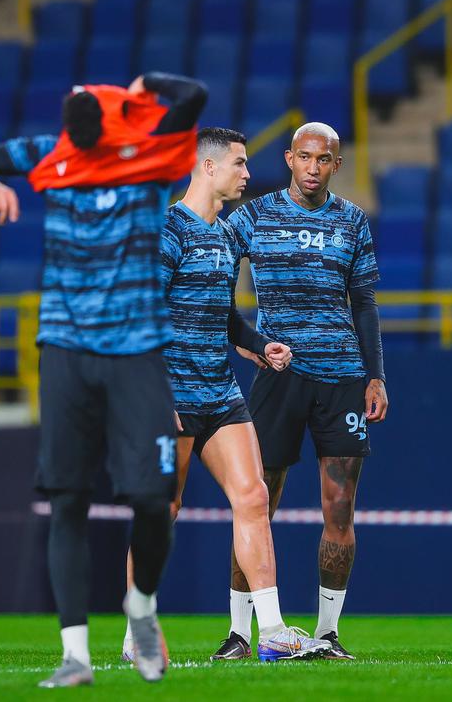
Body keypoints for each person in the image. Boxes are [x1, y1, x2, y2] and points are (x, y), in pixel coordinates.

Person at [0, 73, 206, 687]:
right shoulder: (50, 152)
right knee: (67, 501)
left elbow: (191, 97)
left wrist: (147, 86)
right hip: (64, 348)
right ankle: (75, 656)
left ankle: (140, 604)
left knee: (152, 503)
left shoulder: (150, 152)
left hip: (137, 349)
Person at [119, 127, 331, 662]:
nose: (246, 173)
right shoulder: (167, 231)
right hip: (171, 394)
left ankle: (275, 630)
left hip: (219, 393)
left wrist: (262, 344)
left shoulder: (222, 236)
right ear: (207, 168)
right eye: (239, 164)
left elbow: (223, 317)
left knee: (254, 496)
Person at [224, 122, 387, 660]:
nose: (314, 168)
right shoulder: (252, 215)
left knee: (339, 508)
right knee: (256, 504)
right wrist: (247, 341)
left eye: (325, 159)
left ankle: (327, 632)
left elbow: (363, 304)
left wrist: (375, 374)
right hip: (279, 375)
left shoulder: (352, 222)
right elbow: (211, 280)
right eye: (305, 157)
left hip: (341, 378)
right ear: (290, 159)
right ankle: (241, 635)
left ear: (336, 165)